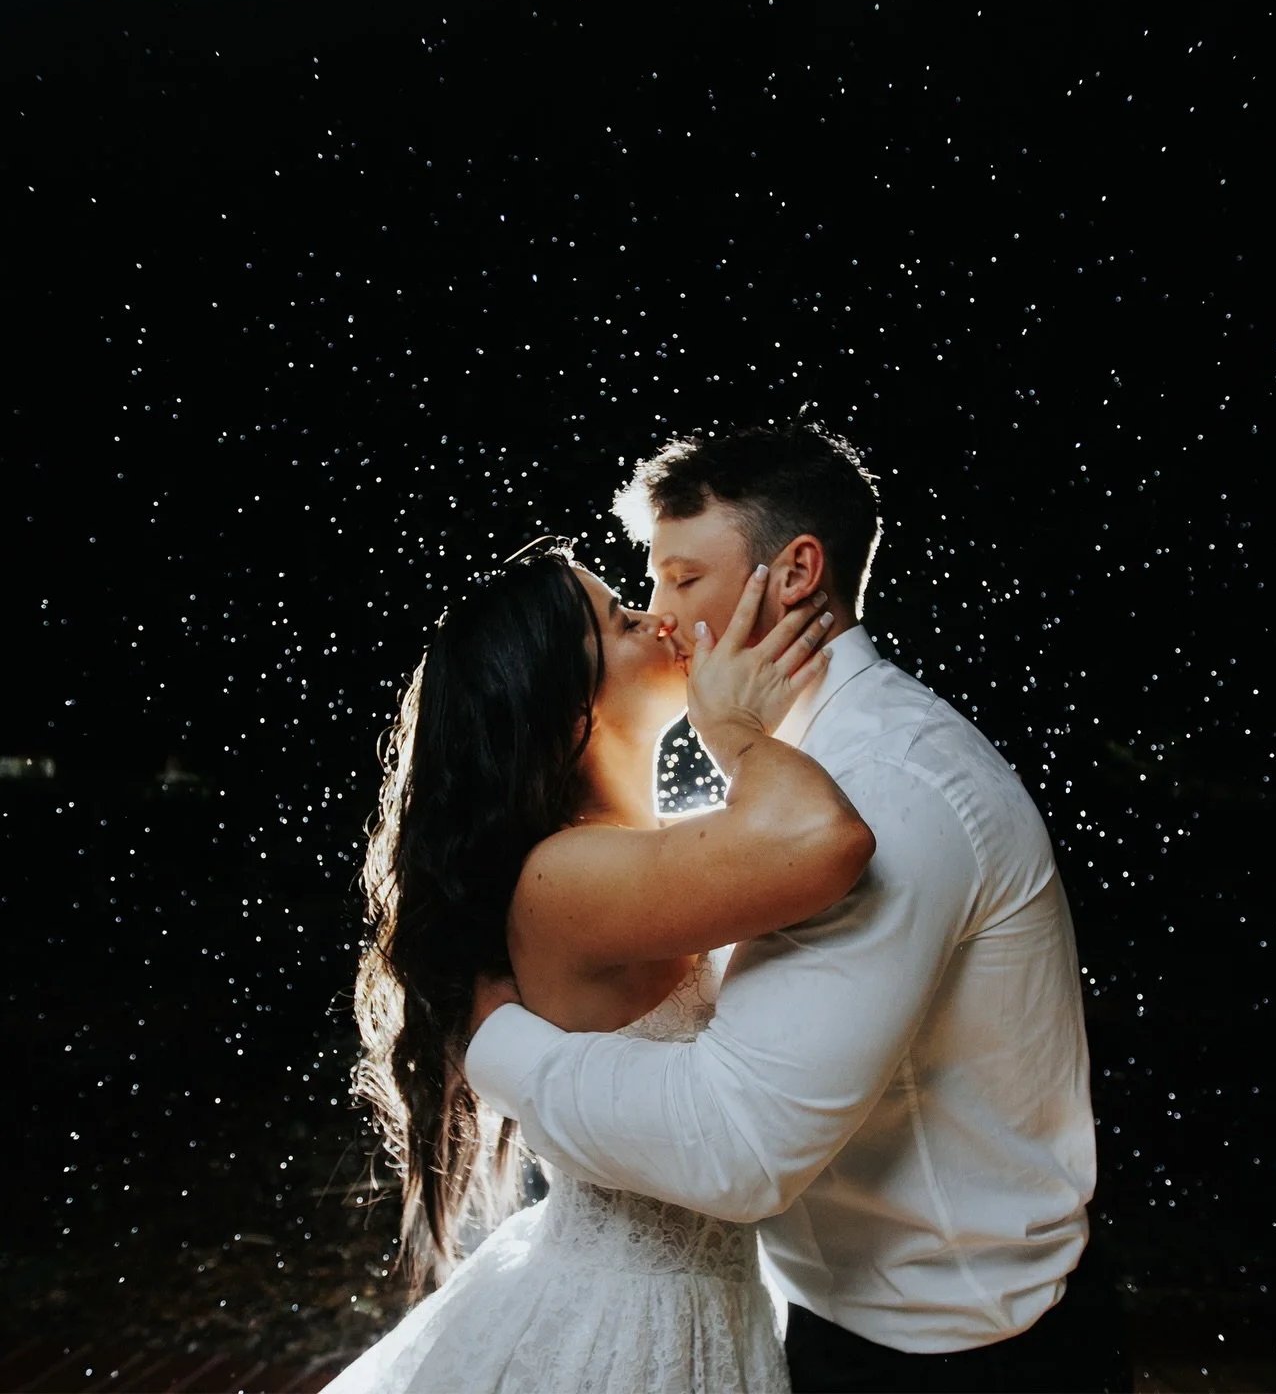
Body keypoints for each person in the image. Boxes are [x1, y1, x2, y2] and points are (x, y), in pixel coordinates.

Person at [467, 418, 1132, 1393]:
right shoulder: (792, 781)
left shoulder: (893, 789)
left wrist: (495, 1046)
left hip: (962, 1352)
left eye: (685, 578)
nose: (661, 614)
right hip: (830, 1318)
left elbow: (741, 1145)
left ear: (794, 573)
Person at [326, 540, 873, 1394]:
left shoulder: (635, 857)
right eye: (622, 619)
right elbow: (825, 838)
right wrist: (734, 727)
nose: (659, 619)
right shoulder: (566, 875)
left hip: (706, 1304)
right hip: (623, 1328)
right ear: (565, 703)